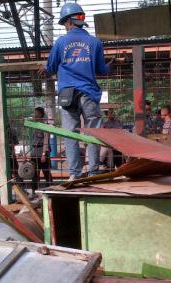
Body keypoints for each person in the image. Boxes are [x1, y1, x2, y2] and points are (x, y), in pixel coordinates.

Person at [44, 2, 110, 180]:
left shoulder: (61, 42)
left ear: (68, 22)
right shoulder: (95, 42)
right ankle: (94, 172)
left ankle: (74, 174)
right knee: (93, 132)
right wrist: (111, 64)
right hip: (89, 93)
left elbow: (50, 67)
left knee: (70, 134)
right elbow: (102, 70)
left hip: (68, 95)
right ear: (81, 19)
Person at [30, 107, 52, 193]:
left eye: (36, 113)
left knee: (46, 173)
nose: (34, 115)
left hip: (42, 152)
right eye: (34, 113)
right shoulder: (34, 125)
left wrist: (44, 154)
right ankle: (34, 192)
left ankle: (50, 190)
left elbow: (46, 140)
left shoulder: (45, 125)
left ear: (41, 114)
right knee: (34, 174)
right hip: (35, 152)